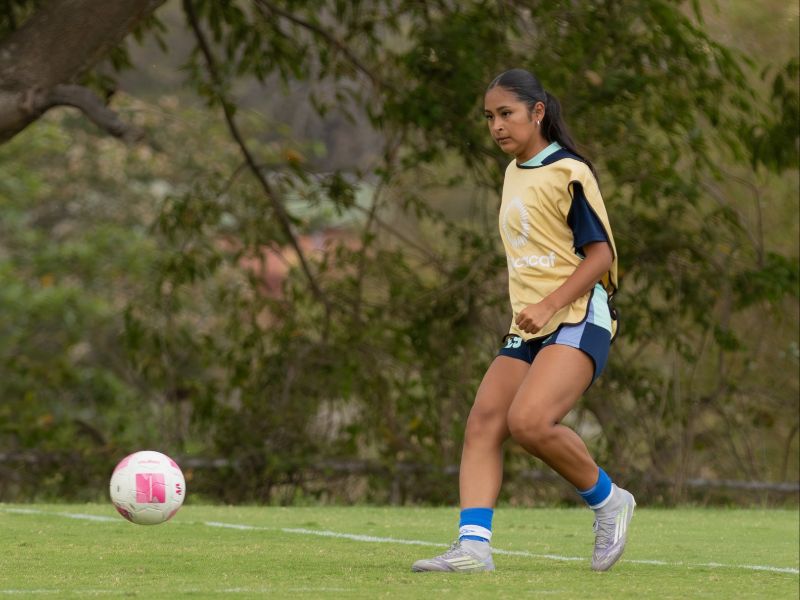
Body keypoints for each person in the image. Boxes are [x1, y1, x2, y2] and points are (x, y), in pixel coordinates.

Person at [411, 68, 635, 573]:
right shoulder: (514, 171)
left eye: (506, 114)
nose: (496, 126)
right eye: (489, 117)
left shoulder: (568, 171)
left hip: (578, 314)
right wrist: (535, 310)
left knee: (529, 422)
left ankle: (610, 501)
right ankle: (473, 549)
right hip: (530, 324)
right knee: (484, 422)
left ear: (537, 112)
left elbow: (600, 256)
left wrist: (550, 304)